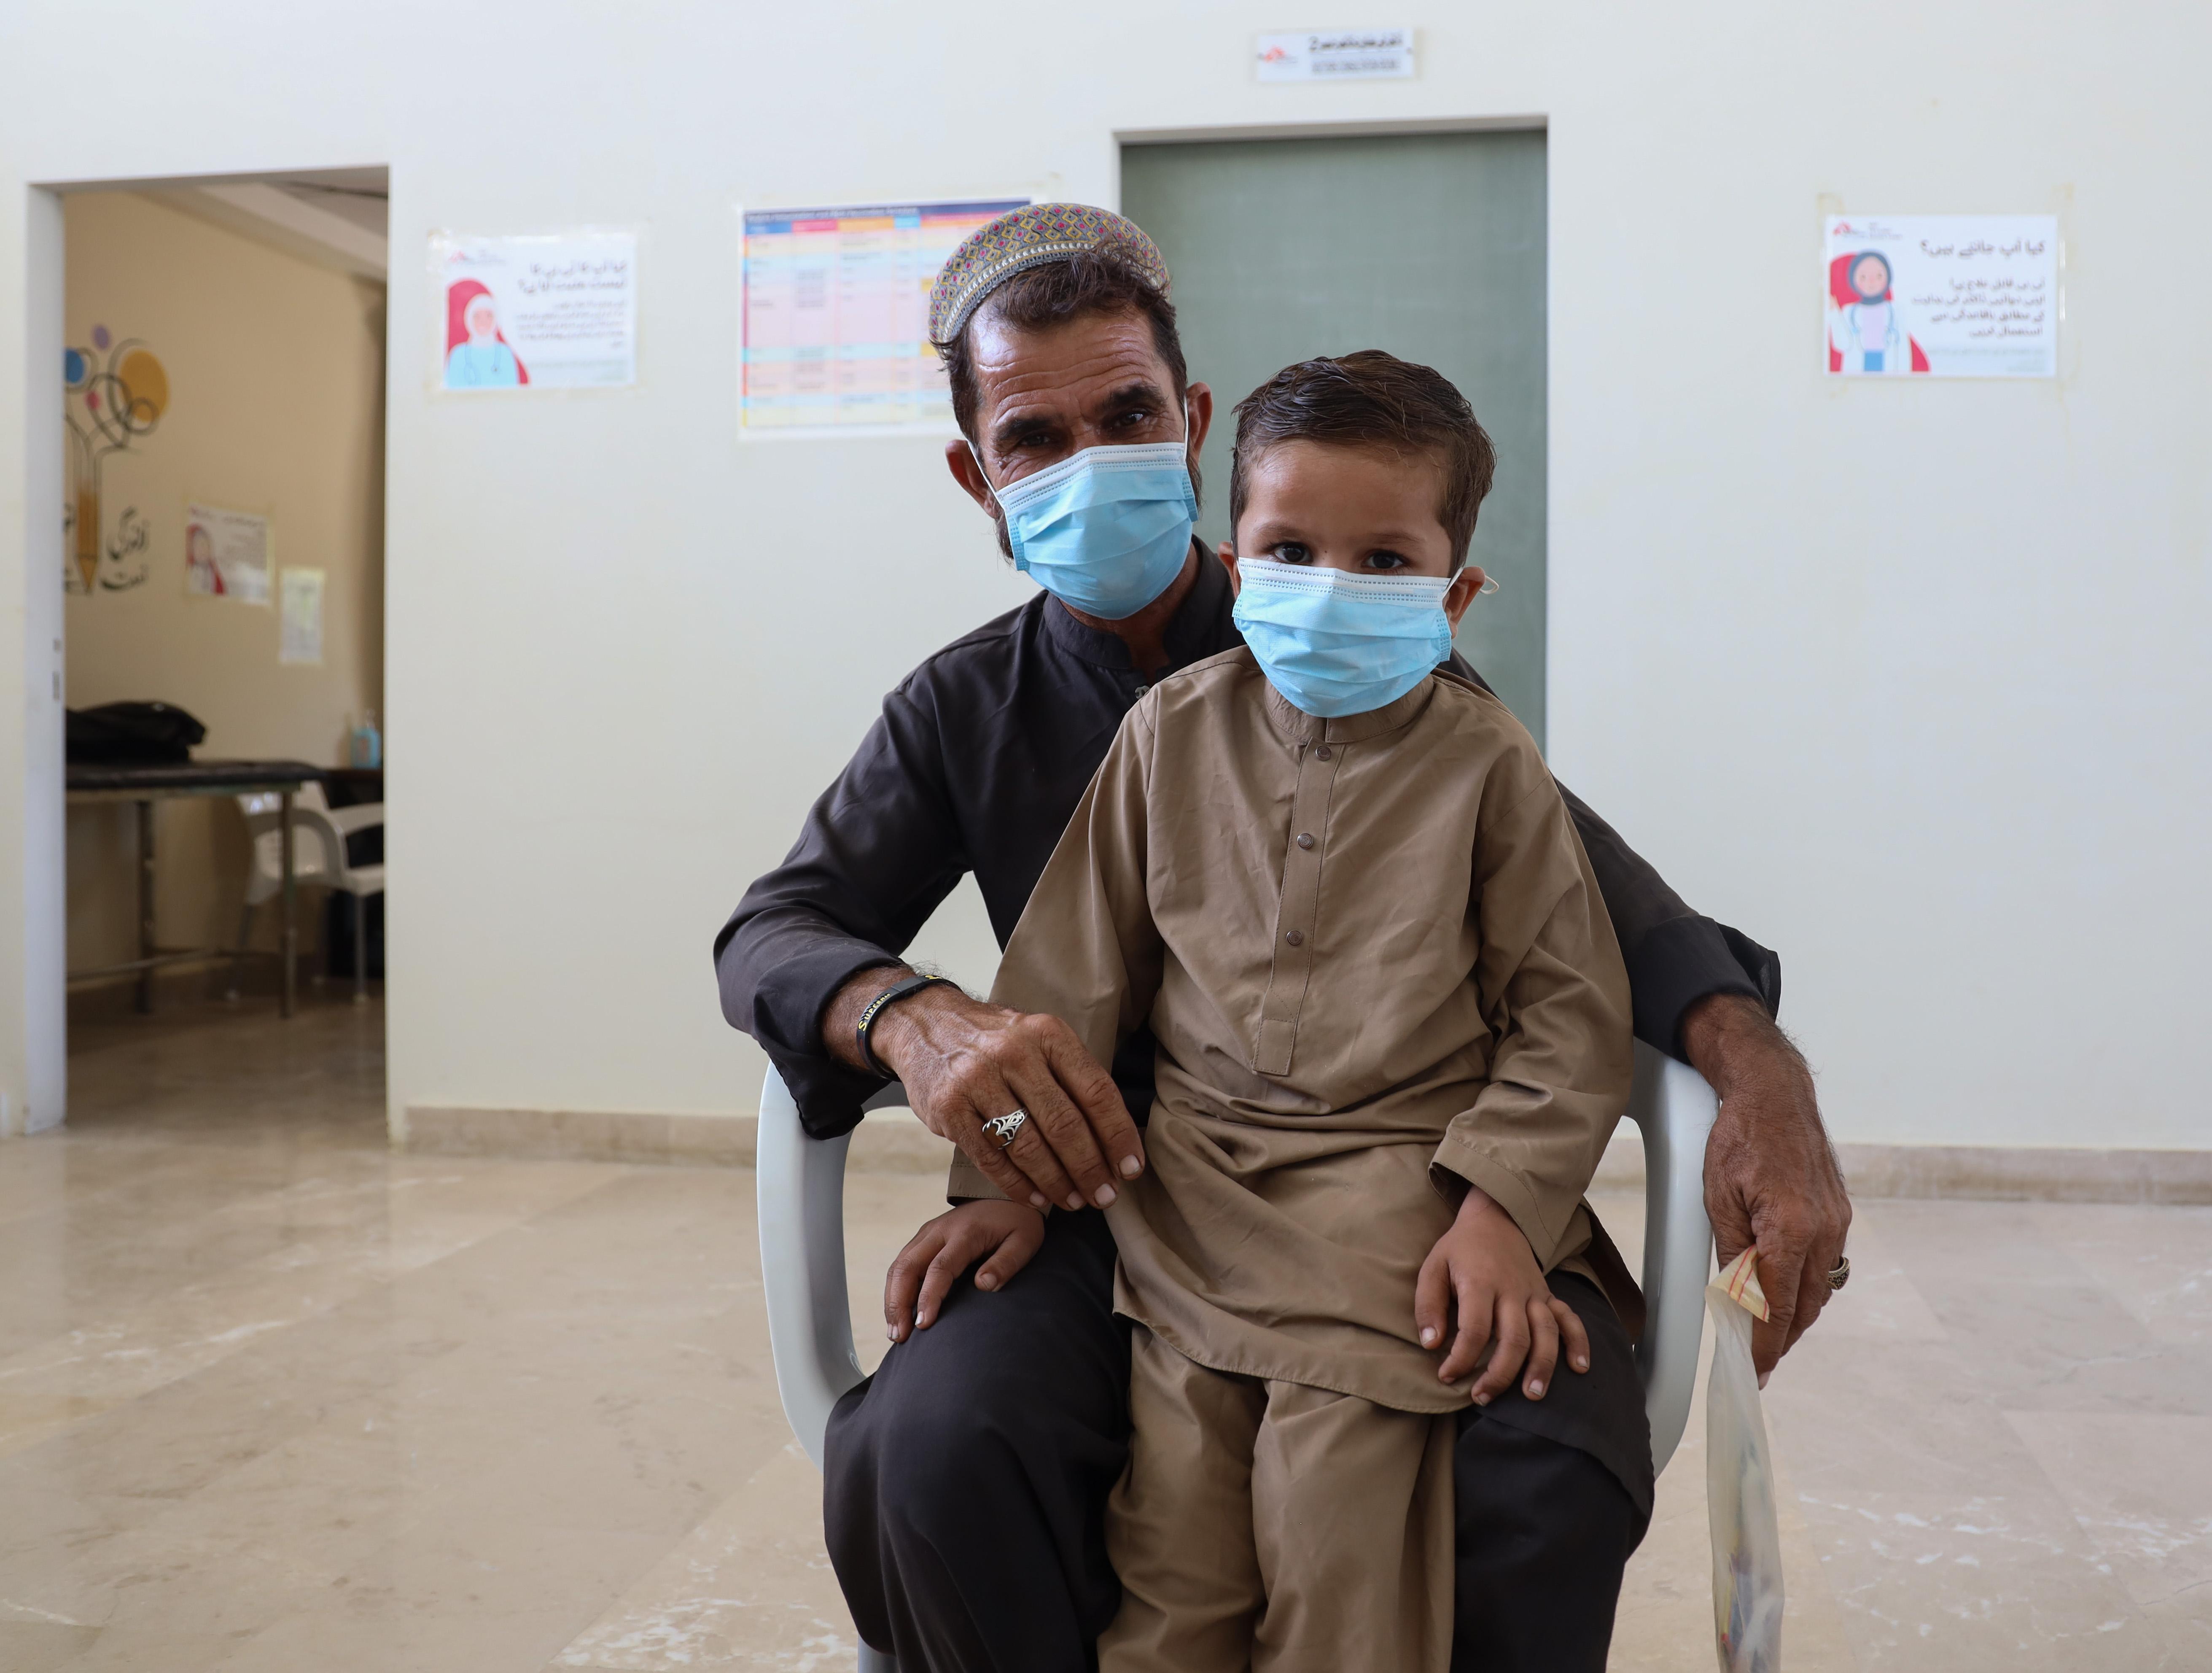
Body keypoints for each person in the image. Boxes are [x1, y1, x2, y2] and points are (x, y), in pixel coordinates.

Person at [713, 204, 1851, 1673]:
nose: (1090, 464)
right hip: (1112, 1180)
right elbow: (778, 928)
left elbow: (1602, 914)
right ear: (975, 476)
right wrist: (914, 1020)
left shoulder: (1371, 644)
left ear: (1188, 420)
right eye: (1032, 439)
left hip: (1413, 1178)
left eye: (1125, 413)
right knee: (932, 1446)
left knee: (1541, 1460)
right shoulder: (963, 710)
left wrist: (1751, 1060)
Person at [970, 348, 1636, 1673]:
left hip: (1394, 1213)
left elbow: (1568, 1017)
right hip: (1185, 1201)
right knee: (1172, 1576)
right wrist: (995, 1181)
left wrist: (1504, 1213)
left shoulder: (1486, 761)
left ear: (1456, 591)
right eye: (1291, 546)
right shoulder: (1166, 732)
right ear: (1235, 563)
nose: (1333, 590)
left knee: (1336, 1558)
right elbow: (1065, 979)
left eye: (1384, 563)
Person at [444, 279, 525, 388]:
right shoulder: (458, 355)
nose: (483, 322)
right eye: (477, 316)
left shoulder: (505, 354)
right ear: (468, 319)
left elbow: (513, 392)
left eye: (489, 316)